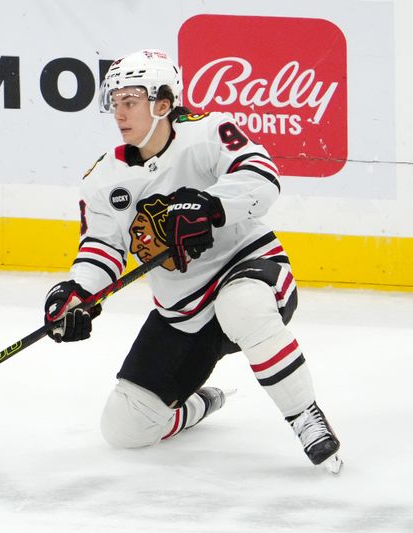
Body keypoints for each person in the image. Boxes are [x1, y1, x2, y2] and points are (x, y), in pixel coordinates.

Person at [43, 49, 342, 473]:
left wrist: (209, 206)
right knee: (124, 430)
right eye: (115, 102)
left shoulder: (209, 132)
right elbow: (102, 247)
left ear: (163, 103)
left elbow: (263, 177)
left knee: (241, 305)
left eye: (130, 101)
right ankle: (197, 405)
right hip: (184, 312)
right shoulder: (103, 179)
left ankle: (305, 416)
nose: (119, 113)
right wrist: (77, 293)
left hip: (249, 272)